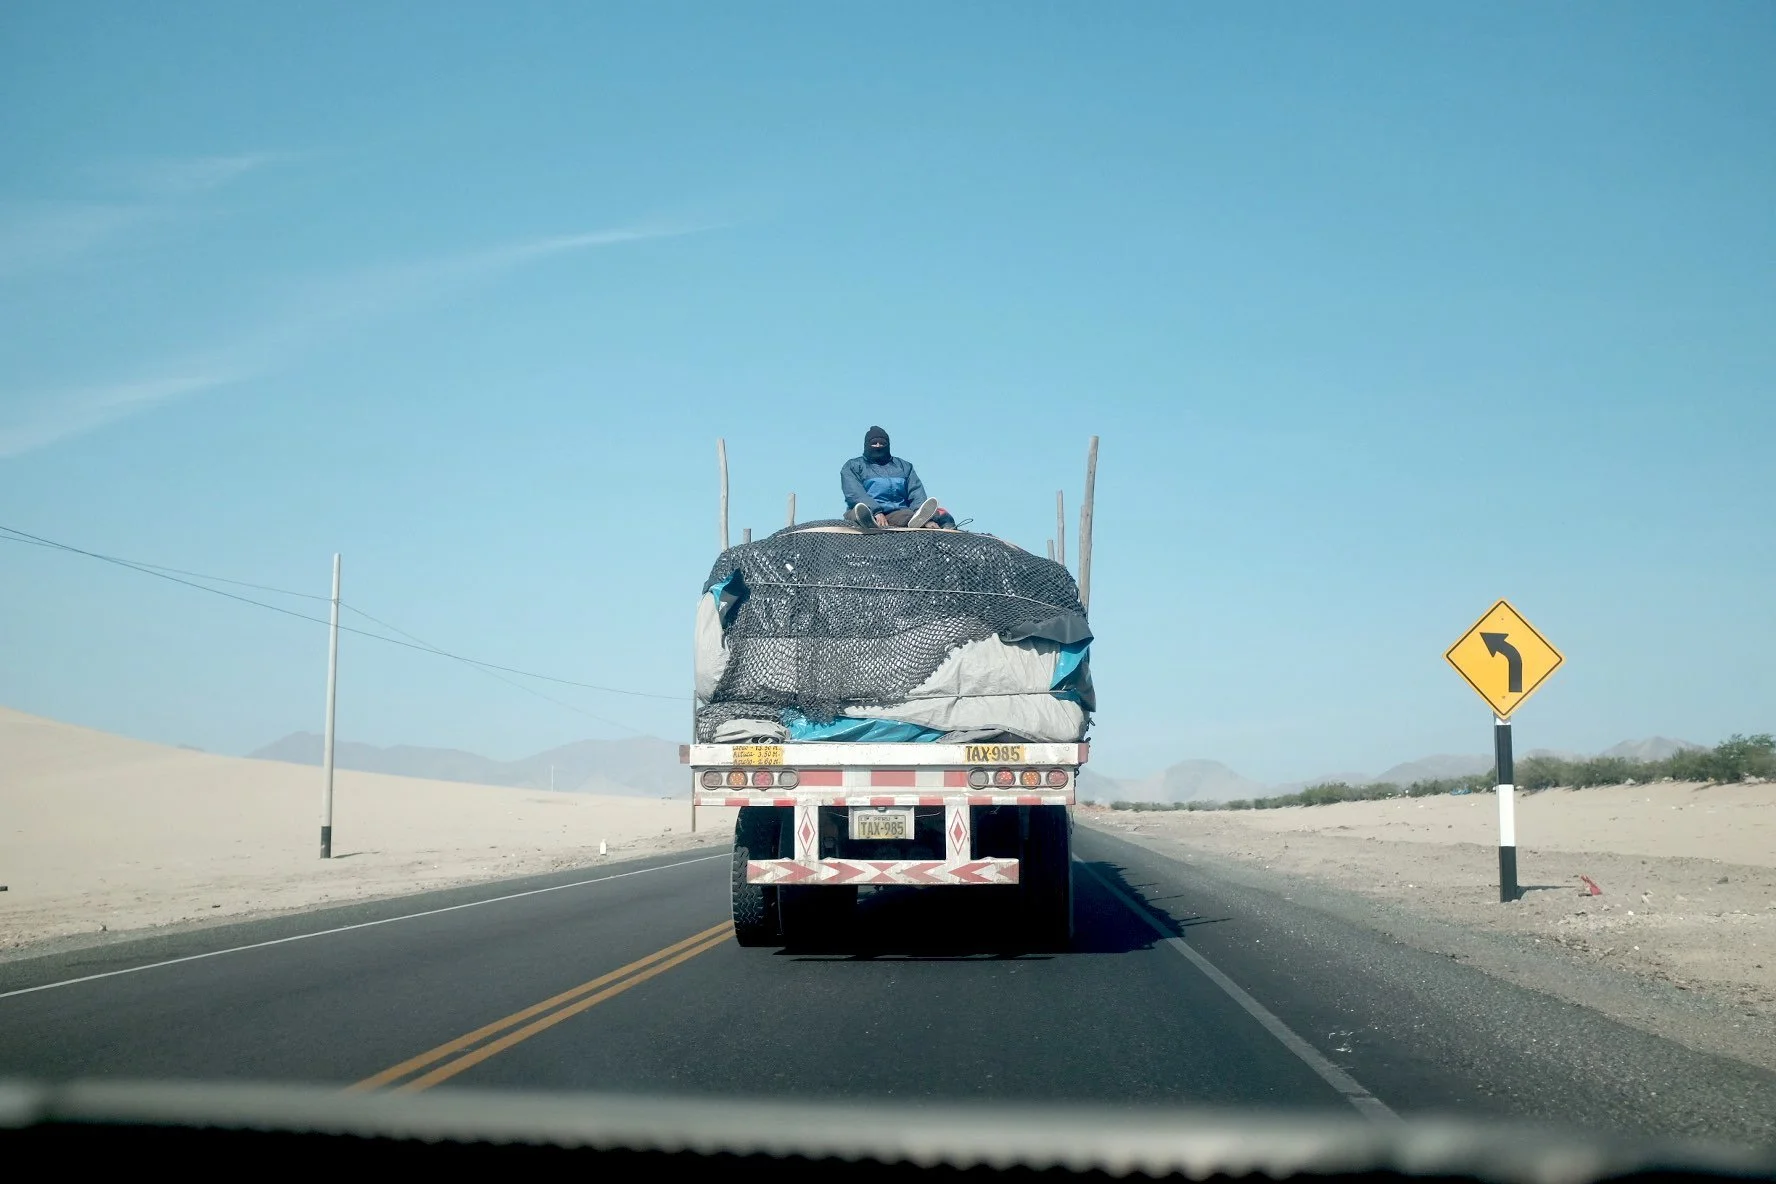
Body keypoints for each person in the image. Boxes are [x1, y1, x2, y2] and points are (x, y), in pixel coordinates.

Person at [840, 426, 955, 530]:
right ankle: (869, 521)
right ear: (866, 444)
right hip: (867, 510)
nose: (878, 446)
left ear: (888, 444)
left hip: (896, 513)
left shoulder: (904, 467)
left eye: (882, 443)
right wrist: (876, 511)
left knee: (924, 515)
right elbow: (854, 492)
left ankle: (926, 521)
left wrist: (923, 514)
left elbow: (916, 492)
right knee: (858, 512)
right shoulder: (853, 466)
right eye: (874, 443)